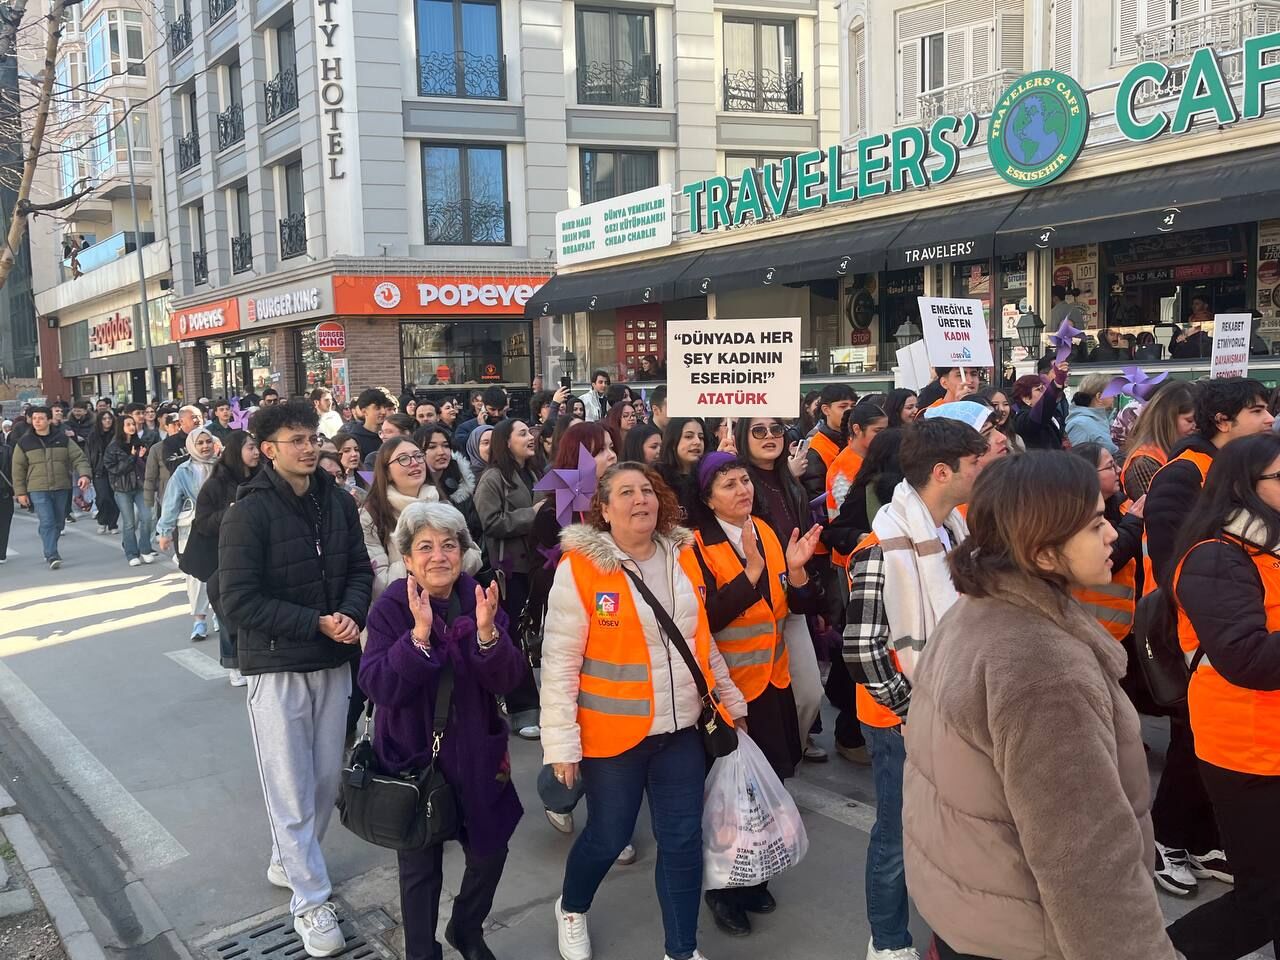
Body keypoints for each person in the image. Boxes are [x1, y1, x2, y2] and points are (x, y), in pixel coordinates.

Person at [903, 451, 1176, 960]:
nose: (1113, 533)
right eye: (1096, 524)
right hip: (1029, 933)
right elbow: (1085, 855)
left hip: (971, 908)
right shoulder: (1044, 667)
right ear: (1043, 551)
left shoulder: (977, 608)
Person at [541, 462, 747, 960]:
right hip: (613, 737)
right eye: (626, 493)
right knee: (609, 836)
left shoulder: (684, 555)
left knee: (680, 842)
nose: (640, 500)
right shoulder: (582, 569)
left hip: (680, 732)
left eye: (648, 491)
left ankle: (681, 950)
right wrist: (561, 744)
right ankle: (572, 906)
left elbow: (701, 642)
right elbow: (560, 663)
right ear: (604, 511)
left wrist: (730, 700)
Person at [217, 401, 372, 958]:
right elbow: (237, 599)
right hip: (278, 666)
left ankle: (290, 860)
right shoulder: (248, 511)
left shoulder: (335, 501)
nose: (309, 447)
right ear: (266, 448)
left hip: (333, 660)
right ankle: (310, 901)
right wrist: (313, 622)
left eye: (312, 437)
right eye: (295, 439)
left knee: (326, 782)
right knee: (290, 787)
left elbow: (359, 567)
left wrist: (351, 614)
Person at [844, 417, 988, 960]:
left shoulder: (953, 528)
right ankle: (888, 940)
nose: (983, 469)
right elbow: (862, 649)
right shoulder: (882, 546)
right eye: (975, 463)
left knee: (949, 829)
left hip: (949, 709)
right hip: (897, 721)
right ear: (943, 471)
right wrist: (913, 710)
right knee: (898, 835)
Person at [361, 502, 523, 960]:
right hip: (412, 756)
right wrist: (416, 638)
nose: (438, 556)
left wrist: (489, 636)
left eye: (448, 545)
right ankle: (420, 951)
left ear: (463, 553)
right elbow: (376, 685)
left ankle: (467, 929)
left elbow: (509, 680)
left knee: (490, 851)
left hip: (477, 753)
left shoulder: (480, 597)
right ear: (408, 560)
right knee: (419, 867)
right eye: (425, 547)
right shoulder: (391, 606)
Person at [1144, 376, 1271, 895]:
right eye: (1258, 409)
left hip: (1226, 633)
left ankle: (1197, 838)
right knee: (1188, 746)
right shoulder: (1184, 473)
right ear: (1223, 420)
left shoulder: (1236, 468)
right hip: (1194, 636)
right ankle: (1167, 840)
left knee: (1199, 751)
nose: (1268, 419)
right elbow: (1175, 555)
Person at [690, 452, 823, 936]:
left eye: (745, 481)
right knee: (726, 800)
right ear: (707, 498)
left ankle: (754, 875)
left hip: (773, 682)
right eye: (728, 485)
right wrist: (750, 570)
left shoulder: (767, 532)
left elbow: (798, 606)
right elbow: (708, 620)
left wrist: (799, 570)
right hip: (726, 694)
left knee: (768, 788)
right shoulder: (695, 547)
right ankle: (722, 890)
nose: (743, 490)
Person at [1163, 433, 1280, 958]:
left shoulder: (1267, 544)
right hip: (1248, 751)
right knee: (1263, 902)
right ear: (1244, 488)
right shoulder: (1215, 555)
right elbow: (1247, 659)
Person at [473, 418, 542, 739]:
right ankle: (522, 710)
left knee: (533, 638)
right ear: (506, 441)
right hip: (508, 570)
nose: (531, 437)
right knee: (513, 638)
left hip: (538, 566)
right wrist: (533, 514)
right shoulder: (492, 478)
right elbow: (491, 522)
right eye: (523, 433)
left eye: (530, 432)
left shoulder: (533, 473)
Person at [194, 430, 260, 686]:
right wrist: (229, 513)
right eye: (250, 448)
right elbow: (202, 522)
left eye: (256, 447)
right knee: (227, 606)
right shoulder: (216, 484)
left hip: (257, 551)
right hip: (224, 555)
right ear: (236, 451)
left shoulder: (263, 477)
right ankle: (233, 662)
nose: (255, 453)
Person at [1068, 442, 1145, 643]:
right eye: (1110, 466)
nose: (1119, 469)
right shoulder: (1073, 517)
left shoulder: (1122, 503)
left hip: (1130, 621)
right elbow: (1107, 556)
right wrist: (1133, 525)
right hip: (1096, 630)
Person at [157, 428, 222, 642]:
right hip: (192, 530)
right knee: (196, 576)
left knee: (222, 573)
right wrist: (164, 532)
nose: (205, 446)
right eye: (200, 442)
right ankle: (199, 619)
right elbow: (171, 502)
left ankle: (219, 615)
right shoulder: (183, 472)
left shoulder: (223, 467)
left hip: (221, 527)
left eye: (208, 441)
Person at [11, 406, 91, 569]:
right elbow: (18, 468)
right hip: (37, 488)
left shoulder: (62, 439)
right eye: (34, 419)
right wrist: (20, 492)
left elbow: (79, 457)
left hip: (61, 486)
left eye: (41, 418)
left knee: (58, 522)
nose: (37, 421)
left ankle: (47, 537)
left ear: (49, 420)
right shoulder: (25, 442)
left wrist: (84, 474)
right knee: (47, 520)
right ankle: (51, 554)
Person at [1120, 381, 1196, 501]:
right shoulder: (1144, 464)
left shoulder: (1187, 450)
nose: (1196, 426)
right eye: (1189, 420)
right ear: (1167, 420)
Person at [102, 413, 158, 566]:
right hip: (122, 488)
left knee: (147, 518)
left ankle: (145, 549)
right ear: (121, 427)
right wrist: (132, 457)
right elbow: (114, 469)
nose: (132, 427)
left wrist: (143, 457)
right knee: (129, 523)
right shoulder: (113, 447)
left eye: (132, 424)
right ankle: (131, 553)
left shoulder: (140, 444)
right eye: (128, 424)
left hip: (140, 486)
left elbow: (148, 466)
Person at [416, 424, 482, 542]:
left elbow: (475, 529)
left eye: (446, 446)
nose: (441, 452)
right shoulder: (416, 492)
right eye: (432, 447)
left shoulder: (462, 484)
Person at [827, 403, 889, 521]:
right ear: (857, 429)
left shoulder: (873, 457)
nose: (884, 436)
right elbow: (846, 515)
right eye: (877, 431)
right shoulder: (844, 468)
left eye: (886, 430)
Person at [801, 384, 855, 500]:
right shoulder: (815, 448)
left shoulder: (855, 440)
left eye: (853, 406)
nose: (849, 411)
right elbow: (818, 498)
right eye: (843, 406)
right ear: (826, 410)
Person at [1010, 364, 1068, 451]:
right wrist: (1056, 385)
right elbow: (1038, 417)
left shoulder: (1054, 413)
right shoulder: (1021, 418)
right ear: (1026, 398)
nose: (1044, 392)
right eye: (1039, 389)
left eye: (1045, 388)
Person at [656, 417, 706, 510]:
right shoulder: (657, 477)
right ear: (673, 440)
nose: (697, 442)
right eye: (689, 436)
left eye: (701, 437)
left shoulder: (706, 476)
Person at [1064, 373, 1119, 453]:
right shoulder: (1079, 424)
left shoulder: (1101, 419)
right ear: (1099, 396)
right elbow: (1080, 459)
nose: (1114, 396)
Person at [85, 409, 120, 534]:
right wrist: (89, 471)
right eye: (104, 419)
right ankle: (102, 520)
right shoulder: (93, 436)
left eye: (109, 418)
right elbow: (88, 454)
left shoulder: (116, 435)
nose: (107, 421)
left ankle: (112, 523)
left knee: (114, 498)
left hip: (115, 470)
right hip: (99, 470)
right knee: (102, 497)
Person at [349, 388, 394, 461]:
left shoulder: (390, 434)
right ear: (364, 411)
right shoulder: (355, 440)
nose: (383, 412)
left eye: (384, 407)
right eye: (377, 408)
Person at [0, 437, 13, 563]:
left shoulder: (8, 450)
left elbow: (15, 471)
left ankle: (1, 553)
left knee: (4, 523)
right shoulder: (7, 450)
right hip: (5, 491)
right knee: (4, 524)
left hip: (4, 491)